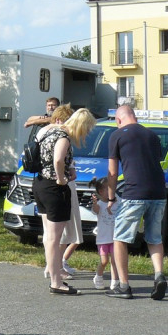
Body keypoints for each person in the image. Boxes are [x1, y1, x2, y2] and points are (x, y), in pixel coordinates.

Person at [106, 104, 168, 301]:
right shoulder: (152, 136)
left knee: (120, 238)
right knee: (154, 237)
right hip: (158, 191)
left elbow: (113, 172)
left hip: (134, 192)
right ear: (135, 116)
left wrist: (110, 197)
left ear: (118, 120)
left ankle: (124, 286)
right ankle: (159, 274)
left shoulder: (117, 136)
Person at [56, 107, 96, 276]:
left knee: (61, 230)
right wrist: (61, 178)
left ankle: (57, 265)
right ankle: (57, 267)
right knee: (62, 230)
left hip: (58, 185)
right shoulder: (64, 136)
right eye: (87, 129)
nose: (87, 133)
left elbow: (63, 160)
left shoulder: (58, 134)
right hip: (61, 186)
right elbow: (58, 159)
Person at [90, 176, 119, 291]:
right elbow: (96, 210)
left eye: (113, 188)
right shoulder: (100, 204)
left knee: (115, 260)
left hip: (115, 237)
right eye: (109, 189)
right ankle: (98, 276)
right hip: (103, 238)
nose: (112, 191)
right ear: (101, 192)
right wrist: (95, 203)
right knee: (104, 261)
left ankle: (115, 281)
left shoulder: (117, 200)